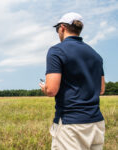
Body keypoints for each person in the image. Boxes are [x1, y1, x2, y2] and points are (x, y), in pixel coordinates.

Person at [39, 12, 105, 150]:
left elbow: (52, 90)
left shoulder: (56, 51)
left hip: (71, 125)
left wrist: (44, 88)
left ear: (62, 28)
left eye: (57, 29)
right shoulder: (95, 55)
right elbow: (101, 89)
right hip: (96, 123)